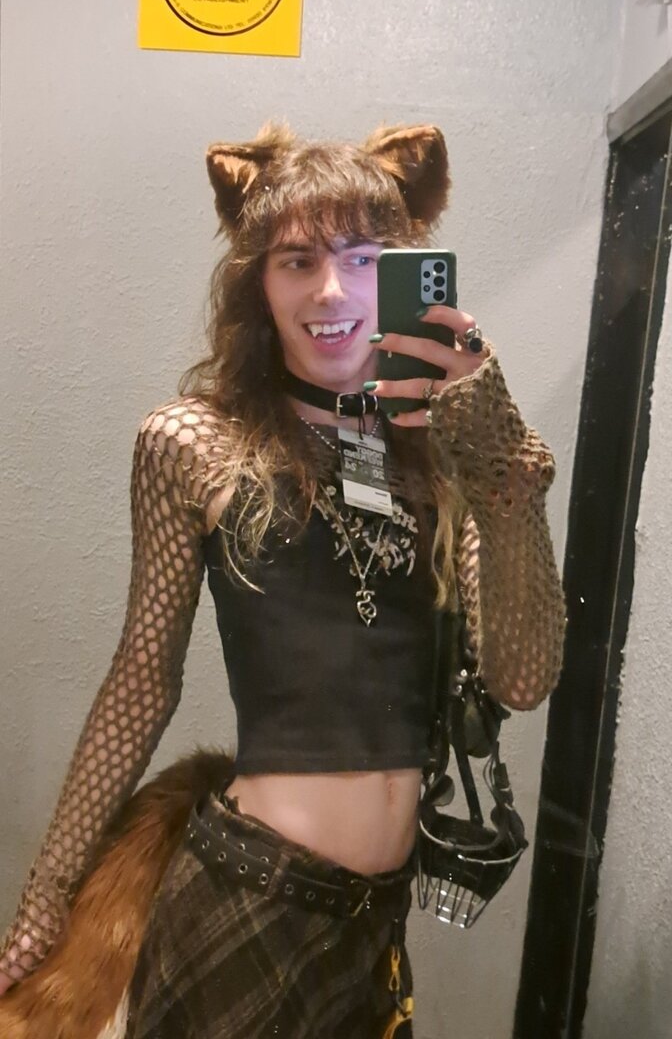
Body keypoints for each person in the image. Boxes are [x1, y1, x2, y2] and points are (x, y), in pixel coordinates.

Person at [0, 121, 566, 1038]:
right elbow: (142, 681)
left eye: (362, 257)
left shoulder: (443, 455)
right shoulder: (194, 443)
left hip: (373, 930)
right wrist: (47, 898)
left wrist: (501, 463)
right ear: (257, 284)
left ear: (400, 272)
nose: (331, 290)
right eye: (297, 260)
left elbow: (524, 675)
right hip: (242, 902)